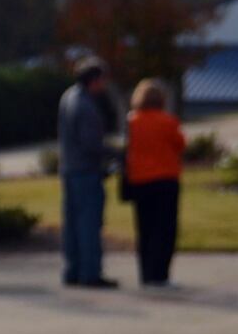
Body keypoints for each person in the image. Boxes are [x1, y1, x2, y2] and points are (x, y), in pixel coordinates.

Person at [57, 57, 120, 287]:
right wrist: (115, 154)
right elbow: (91, 143)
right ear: (94, 80)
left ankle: (73, 270)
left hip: (69, 169)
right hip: (86, 171)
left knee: (72, 223)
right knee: (89, 224)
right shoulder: (85, 106)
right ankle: (90, 272)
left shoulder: (68, 97)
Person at [122, 78, 186, 287]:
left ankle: (146, 273)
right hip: (165, 179)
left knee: (145, 229)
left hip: (140, 180)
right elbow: (180, 144)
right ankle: (160, 274)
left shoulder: (132, 122)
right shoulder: (167, 122)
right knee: (165, 229)